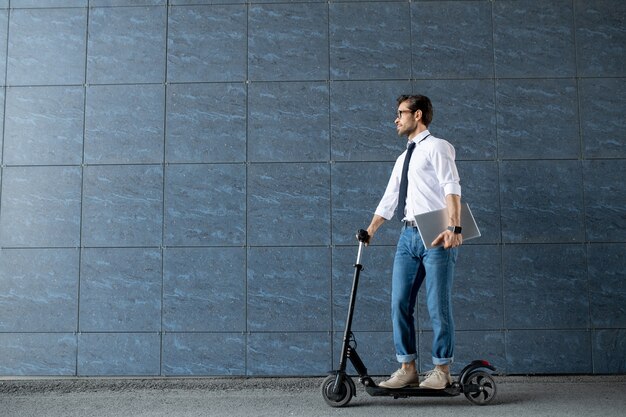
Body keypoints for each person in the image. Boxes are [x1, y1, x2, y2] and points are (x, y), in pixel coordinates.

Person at [363, 94, 463, 390]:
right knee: (399, 303)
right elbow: (390, 198)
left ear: (417, 115)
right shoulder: (402, 157)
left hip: (435, 231)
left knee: (437, 304)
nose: (396, 118)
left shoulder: (437, 147)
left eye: (400, 113)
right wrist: (371, 229)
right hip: (407, 234)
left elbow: (451, 186)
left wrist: (454, 227)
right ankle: (407, 367)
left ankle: (442, 371)